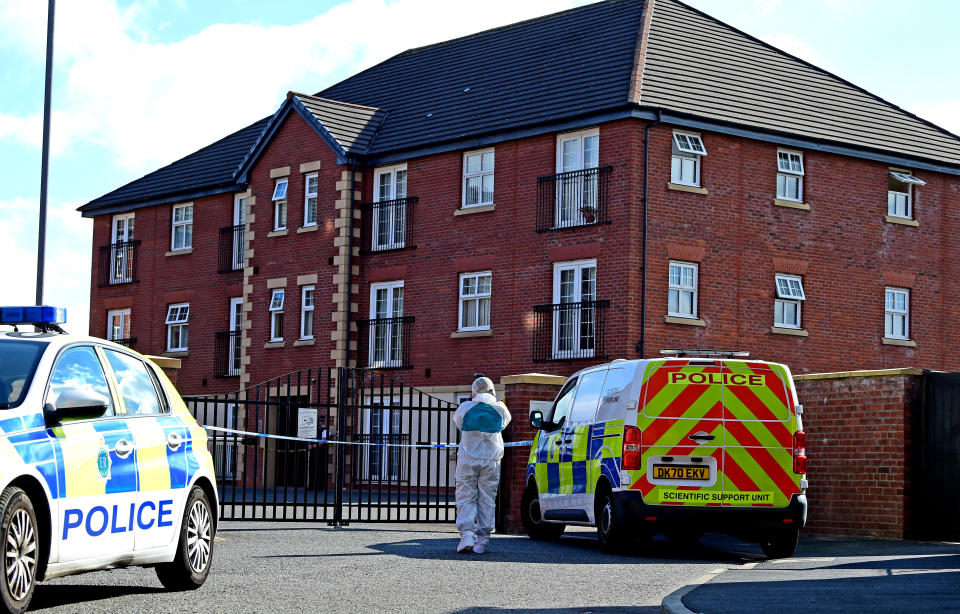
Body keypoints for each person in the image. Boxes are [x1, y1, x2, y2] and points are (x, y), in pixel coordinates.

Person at [453, 376, 511, 554]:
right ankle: (482, 541)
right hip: (491, 461)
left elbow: (459, 423)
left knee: (466, 496)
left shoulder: (465, 408)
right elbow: (504, 424)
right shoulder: (501, 409)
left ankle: (467, 535)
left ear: (474, 391)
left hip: (468, 459)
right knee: (487, 499)